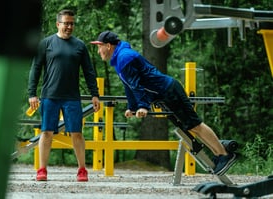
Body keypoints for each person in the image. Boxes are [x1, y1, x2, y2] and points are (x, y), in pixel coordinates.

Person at [90, 30, 237, 176]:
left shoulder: (124, 58)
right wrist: (133, 107)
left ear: (108, 46)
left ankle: (224, 154)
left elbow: (136, 85)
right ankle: (219, 153)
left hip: (169, 90)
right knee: (191, 127)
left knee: (194, 124)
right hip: (164, 93)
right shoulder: (119, 60)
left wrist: (142, 106)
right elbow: (129, 85)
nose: (98, 51)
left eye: (99, 47)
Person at [28, 9, 100, 182]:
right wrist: (32, 93)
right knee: (46, 132)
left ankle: (82, 170)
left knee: (77, 133)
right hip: (49, 96)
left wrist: (95, 95)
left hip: (72, 97)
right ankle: (42, 169)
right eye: (66, 23)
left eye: (72, 23)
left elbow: (89, 71)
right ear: (58, 24)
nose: (69, 26)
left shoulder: (80, 46)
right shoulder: (46, 44)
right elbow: (35, 69)